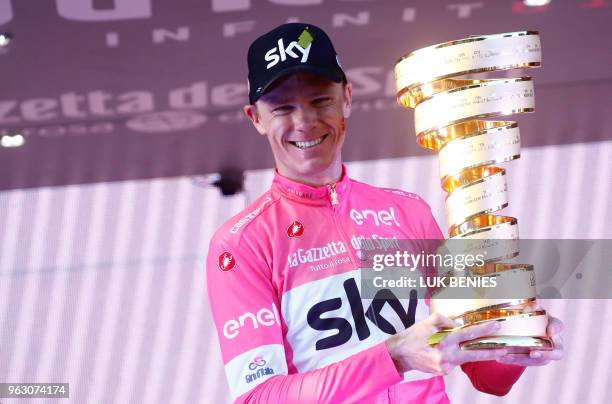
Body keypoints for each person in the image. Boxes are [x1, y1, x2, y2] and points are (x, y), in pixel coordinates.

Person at [206, 22, 563, 403]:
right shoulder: (240, 244)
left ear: (347, 97)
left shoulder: (407, 211)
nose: (304, 121)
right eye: (282, 108)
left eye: (319, 100)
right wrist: (393, 356)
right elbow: (257, 397)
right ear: (255, 118)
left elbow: (485, 374)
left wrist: (522, 342)